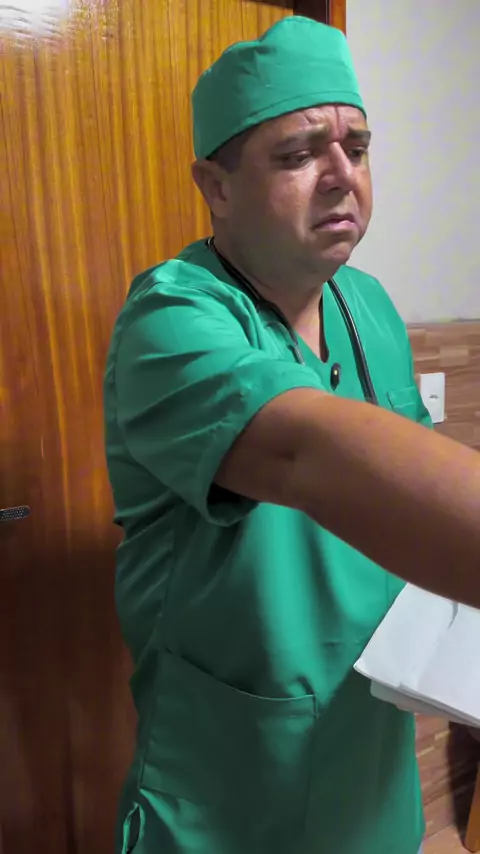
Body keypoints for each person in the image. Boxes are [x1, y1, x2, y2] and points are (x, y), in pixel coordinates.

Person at [104, 17, 480, 854]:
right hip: (231, 793)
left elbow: (412, 480)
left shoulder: (367, 304)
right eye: (300, 153)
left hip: (370, 763)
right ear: (216, 185)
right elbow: (306, 452)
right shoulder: (170, 321)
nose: (343, 175)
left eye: (358, 146)